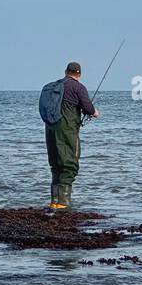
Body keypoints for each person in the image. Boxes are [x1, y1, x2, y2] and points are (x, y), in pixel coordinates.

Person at [45, 61, 98, 211]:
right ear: (79, 74)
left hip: (50, 128)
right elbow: (88, 108)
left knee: (55, 163)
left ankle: (54, 202)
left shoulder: (54, 86)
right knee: (70, 163)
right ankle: (63, 203)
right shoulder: (78, 88)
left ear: (65, 71)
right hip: (67, 129)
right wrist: (95, 112)